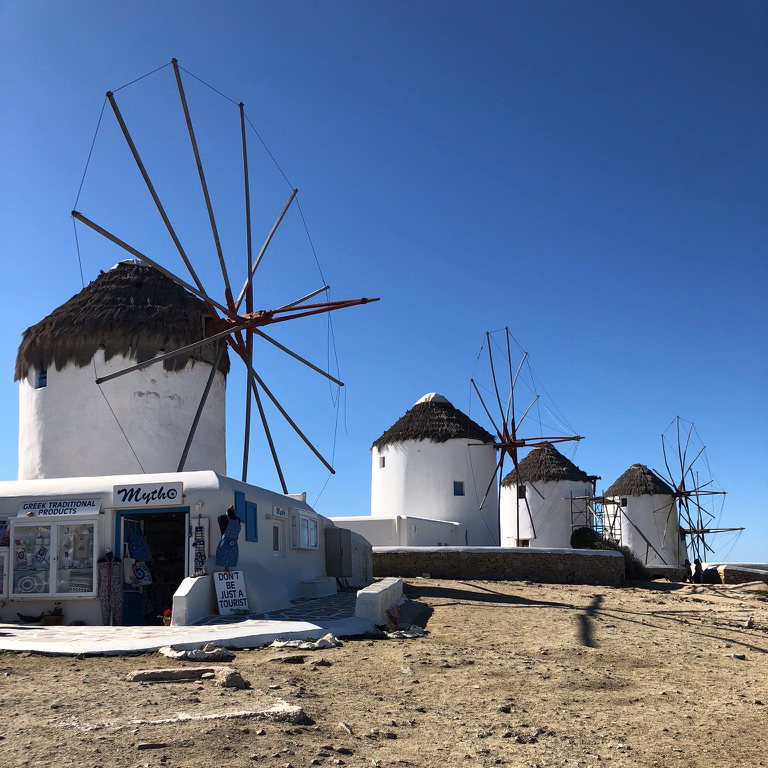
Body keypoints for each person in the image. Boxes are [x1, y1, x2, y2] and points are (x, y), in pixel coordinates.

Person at [215, 505, 241, 571]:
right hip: (224, 546)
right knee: (223, 563)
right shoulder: (222, 518)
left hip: (234, 547)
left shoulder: (238, 519)